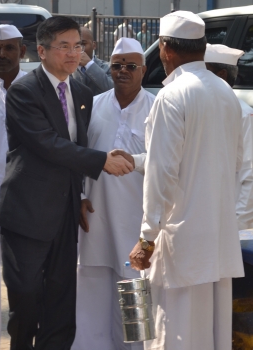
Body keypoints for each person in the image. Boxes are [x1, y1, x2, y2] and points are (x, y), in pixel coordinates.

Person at [0, 16, 133, 350]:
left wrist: (82, 194)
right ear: (41, 51)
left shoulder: (82, 91)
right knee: (26, 299)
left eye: (78, 46)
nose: (73, 54)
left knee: (60, 304)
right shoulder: (24, 91)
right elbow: (48, 145)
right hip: (27, 214)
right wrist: (102, 161)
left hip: (65, 214)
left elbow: (76, 146)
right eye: (64, 47)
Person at [129, 11, 244, 350]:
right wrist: (135, 161)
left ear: (164, 49)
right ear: (203, 47)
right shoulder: (224, 92)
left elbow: (165, 171)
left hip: (181, 238)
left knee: (174, 333)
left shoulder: (173, 95)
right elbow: (228, 165)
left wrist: (147, 237)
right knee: (211, 333)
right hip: (218, 235)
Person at [71, 38, 155, 350]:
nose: (123, 71)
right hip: (94, 218)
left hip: (136, 221)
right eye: (117, 65)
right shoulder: (93, 105)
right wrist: (79, 197)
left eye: (131, 66)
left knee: (135, 295)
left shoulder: (156, 109)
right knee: (92, 291)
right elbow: (77, 156)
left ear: (143, 70)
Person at [0, 24, 26, 350]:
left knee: (26, 290)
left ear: (23, 52)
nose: (1, 55)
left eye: (8, 48)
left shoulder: (34, 91)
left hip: (26, 209)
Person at [204, 44, 253, 230]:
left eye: (203, 72)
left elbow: (250, 176)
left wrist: (238, 224)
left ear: (221, 75)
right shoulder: (199, 109)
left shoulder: (243, 114)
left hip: (229, 221)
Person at [73, 27, 113, 96]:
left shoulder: (107, 67)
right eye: (75, 46)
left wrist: (89, 64)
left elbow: (112, 91)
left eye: (83, 44)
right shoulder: (66, 68)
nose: (79, 49)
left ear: (94, 45)